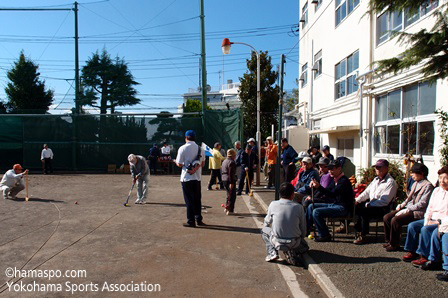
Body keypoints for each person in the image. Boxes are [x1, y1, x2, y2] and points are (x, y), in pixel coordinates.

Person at [402, 166, 448, 268]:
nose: (442, 181)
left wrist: (437, 222)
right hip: (431, 219)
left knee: (426, 229)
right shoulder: (436, 191)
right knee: (412, 226)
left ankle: (425, 256)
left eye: (445, 178)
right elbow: (429, 208)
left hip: (442, 222)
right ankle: (412, 251)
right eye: (440, 178)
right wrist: (427, 220)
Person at [383, 163, 434, 251]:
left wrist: (408, 209)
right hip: (410, 208)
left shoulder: (428, 186)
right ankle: (389, 240)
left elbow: (423, 203)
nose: (412, 175)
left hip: (418, 212)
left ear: (421, 173)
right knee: (387, 217)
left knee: (396, 220)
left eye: (414, 173)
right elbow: (409, 198)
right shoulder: (415, 184)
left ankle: (395, 244)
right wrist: (402, 205)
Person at [353, 159, 398, 245]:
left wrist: (368, 204)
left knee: (364, 212)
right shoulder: (376, 180)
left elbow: (385, 201)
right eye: (376, 167)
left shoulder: (390, 182)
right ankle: (356, 229)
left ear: (386, 168)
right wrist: (357, 201)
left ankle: (363, 235)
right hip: (372, 205)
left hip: (383, 208)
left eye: (380, 167)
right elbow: (366, 192)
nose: (377, 169)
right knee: (356, 207)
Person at [308, 160, 354, 242]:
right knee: (311, 206)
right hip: (334, 204)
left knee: (317, 212)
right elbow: (327, 190)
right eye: (329, 169)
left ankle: (325, 235)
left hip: (343, 208)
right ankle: (307, 229)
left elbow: (332, 194)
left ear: (339, 169)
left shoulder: (343, 181)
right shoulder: (335, 180)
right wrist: (314, 196)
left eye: (332, 169)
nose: (329, 171)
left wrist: (319, 187)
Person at [262, 182, 309, 262]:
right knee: (304, 246)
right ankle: (293, 251)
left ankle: (272, 252)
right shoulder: (299, 207)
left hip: (276, 240)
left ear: (280, 194)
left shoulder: (273, 204)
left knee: (264, 230)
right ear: (292, 194)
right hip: (294, 241)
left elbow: (267, 222)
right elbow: (303, 228)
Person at [175, 130, 206, 228]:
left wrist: (177, 162)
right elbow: (203, 164)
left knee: (189, 200)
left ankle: (190, 221)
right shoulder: (201, 149)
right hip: (197, 178)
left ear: (186, 137)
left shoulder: (182, 148)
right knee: (197, 199)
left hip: (186, 178)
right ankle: (198, 219)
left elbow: (179, 164)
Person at [222, 149, 237, 215]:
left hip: (224, 178)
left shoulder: (224, 161)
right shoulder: (232, 162)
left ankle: (227, 207)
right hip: (229, 179)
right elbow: (231, 173)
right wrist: (232, 182)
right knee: (232, 195)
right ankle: (230, 210)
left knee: (228, 194)